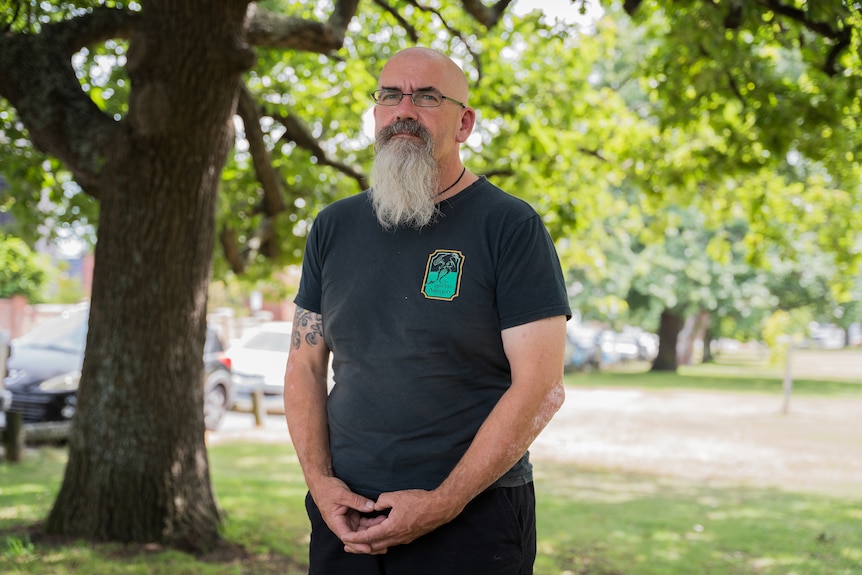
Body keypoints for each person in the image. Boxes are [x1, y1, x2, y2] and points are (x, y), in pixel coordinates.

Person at [283, 46, 571, 574]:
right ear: (376, 113)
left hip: (473, 522)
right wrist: (321, 487)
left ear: (464, 123)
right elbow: (303, 365)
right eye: (390, 95)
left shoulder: (510, 227)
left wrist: (444, 502)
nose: (404, 110)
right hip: (345, 520)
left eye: (427, 97)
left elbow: (541, 386)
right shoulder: (333, 227)